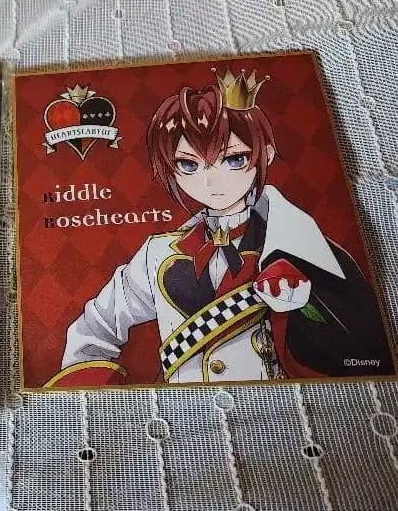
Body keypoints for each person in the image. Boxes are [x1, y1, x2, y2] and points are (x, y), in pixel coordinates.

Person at [60, 67, 393, 384]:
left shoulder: (300, 247)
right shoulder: (157, 255)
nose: (211, 180)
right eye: (188, 164)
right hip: (181, 413)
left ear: (266, 155)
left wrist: (300, 308)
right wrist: (104, 402)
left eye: (234, 159)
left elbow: (361, 351)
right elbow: (94, 327)